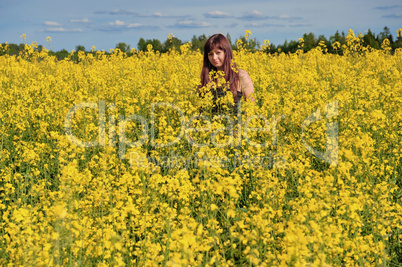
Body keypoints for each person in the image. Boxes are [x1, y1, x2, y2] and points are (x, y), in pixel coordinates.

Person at [198, 33, 255, 116]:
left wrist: (240, 127)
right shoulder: (207, 77)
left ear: (226, 52)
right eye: (210, 54)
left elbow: (251, 107)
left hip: (234, 127)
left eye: (218, 52)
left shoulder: (240, 76)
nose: (214, 57)